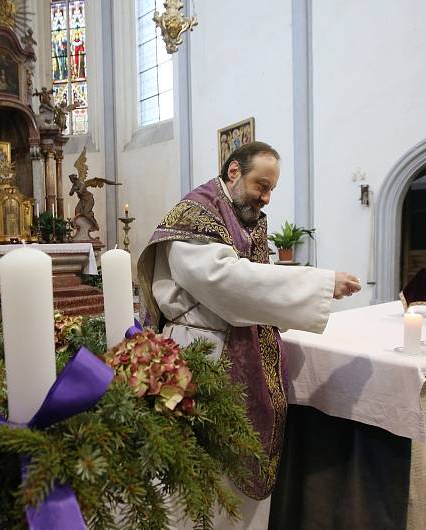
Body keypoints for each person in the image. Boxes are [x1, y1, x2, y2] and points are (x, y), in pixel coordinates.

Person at [136, 141, 360, 529]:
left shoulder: (244, 219)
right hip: (201, 357)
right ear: (234, 172)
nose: (267, 197)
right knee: (203, 474)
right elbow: (227, 282)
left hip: (242, 349)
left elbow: (253, 283)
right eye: (262, 185)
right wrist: (319, 285)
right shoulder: (194, 217)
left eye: (271, 188)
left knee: (237, 479)